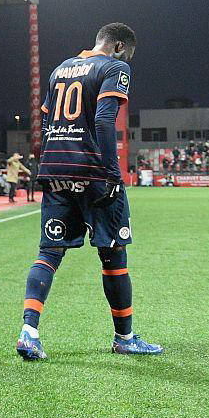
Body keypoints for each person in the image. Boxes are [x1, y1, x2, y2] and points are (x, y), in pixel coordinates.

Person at [16, 22, 163, 361]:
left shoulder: (60, 69)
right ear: (119, 47)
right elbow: (103, 120)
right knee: (113, 253)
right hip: (93, 173)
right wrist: (112, 174)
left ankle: (29, 331)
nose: (127, 61)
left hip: (56, 170)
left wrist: (50, 162)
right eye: (128, 55)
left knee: (49, 252)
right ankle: (124, 338)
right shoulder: (114, 67)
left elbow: (48, 121)